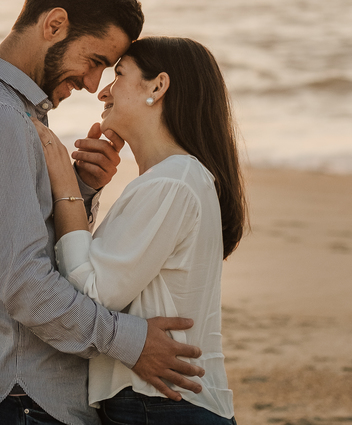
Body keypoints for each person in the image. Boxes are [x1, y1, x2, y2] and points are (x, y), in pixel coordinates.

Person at [0, 0, 206, 425]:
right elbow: (25, 286)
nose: (92, 84)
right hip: (19, 400)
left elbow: (27, 258)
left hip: (26, 400)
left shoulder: (16, 116)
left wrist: (79, 189)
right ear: (54, 24)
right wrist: (132, 342)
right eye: (95, 60)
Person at [34, 36, 247, 425]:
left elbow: (94, 296)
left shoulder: (172, 182)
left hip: (160, 406)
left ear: (158, 86)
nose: (103, 92)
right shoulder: (177, 179)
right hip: (163, 404)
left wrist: (66, 187)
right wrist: (85, 187)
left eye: (118, 74)